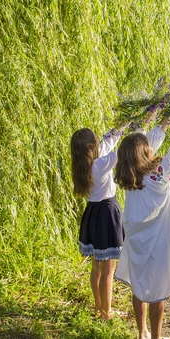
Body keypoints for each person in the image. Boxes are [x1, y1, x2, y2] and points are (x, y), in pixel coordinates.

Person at [114, 107, 170, 339]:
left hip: (136, 239)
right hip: (156, 239)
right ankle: (155, 337)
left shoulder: (130, 174)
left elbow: (144, 144)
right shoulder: (159, 175)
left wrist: (163, 124)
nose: (152, 148)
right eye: (149, 148)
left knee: (139, 283)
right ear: (145, 154)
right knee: (158, 292)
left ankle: (142, 332)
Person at [70, 124, 127, 320]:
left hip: (93, 214)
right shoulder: (99, 165)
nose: (99, 143)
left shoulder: (83, 164)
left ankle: (98, 307)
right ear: (91, 148)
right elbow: (121, 152)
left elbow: (107, 143)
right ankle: (106, 313)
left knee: (96, 267)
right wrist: (140, 130)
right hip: (106, 214)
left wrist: (124, 125)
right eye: (96, 141)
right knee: (108, 271)